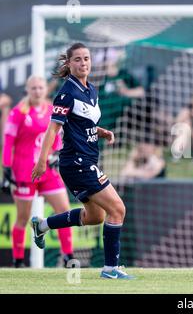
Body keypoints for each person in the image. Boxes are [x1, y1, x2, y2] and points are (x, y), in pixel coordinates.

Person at [30, 42, 133, 279]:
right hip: (77, 163)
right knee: (118, 209)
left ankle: (43, 225)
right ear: (69, 63)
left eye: (86, 58)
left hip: (86, 160)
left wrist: (101, 131)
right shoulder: (66, 93)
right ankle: (110, 269)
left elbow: (83, 125)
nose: (83, 63)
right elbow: (53, 130)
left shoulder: (91, 90)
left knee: (95, 217)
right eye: (77, 59)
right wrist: (42, 160)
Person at [2, 76, 74, 268]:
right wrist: (6, 167)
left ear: (45, 89)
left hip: (48, 170)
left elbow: (57, 136)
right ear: (27, 90)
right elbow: (8, 142)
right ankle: (18, 261)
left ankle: (68, 257)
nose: (37, 91)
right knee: (22, 218)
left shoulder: (51, 109)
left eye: (40, 87)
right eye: (33, 88)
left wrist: (57, 154)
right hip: (24, 171)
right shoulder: (18, 112)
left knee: (64, 210)